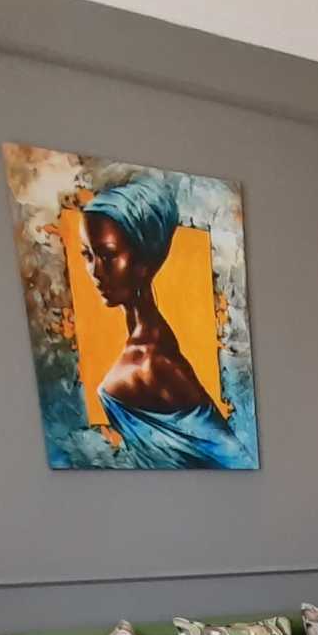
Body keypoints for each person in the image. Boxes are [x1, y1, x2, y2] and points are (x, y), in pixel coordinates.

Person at [78, 176, 252, 468]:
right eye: (87, 255)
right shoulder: (148, 343)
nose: (95, 271)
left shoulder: (155, 360)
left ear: (142, 262)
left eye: (107, 255)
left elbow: (233, 457)